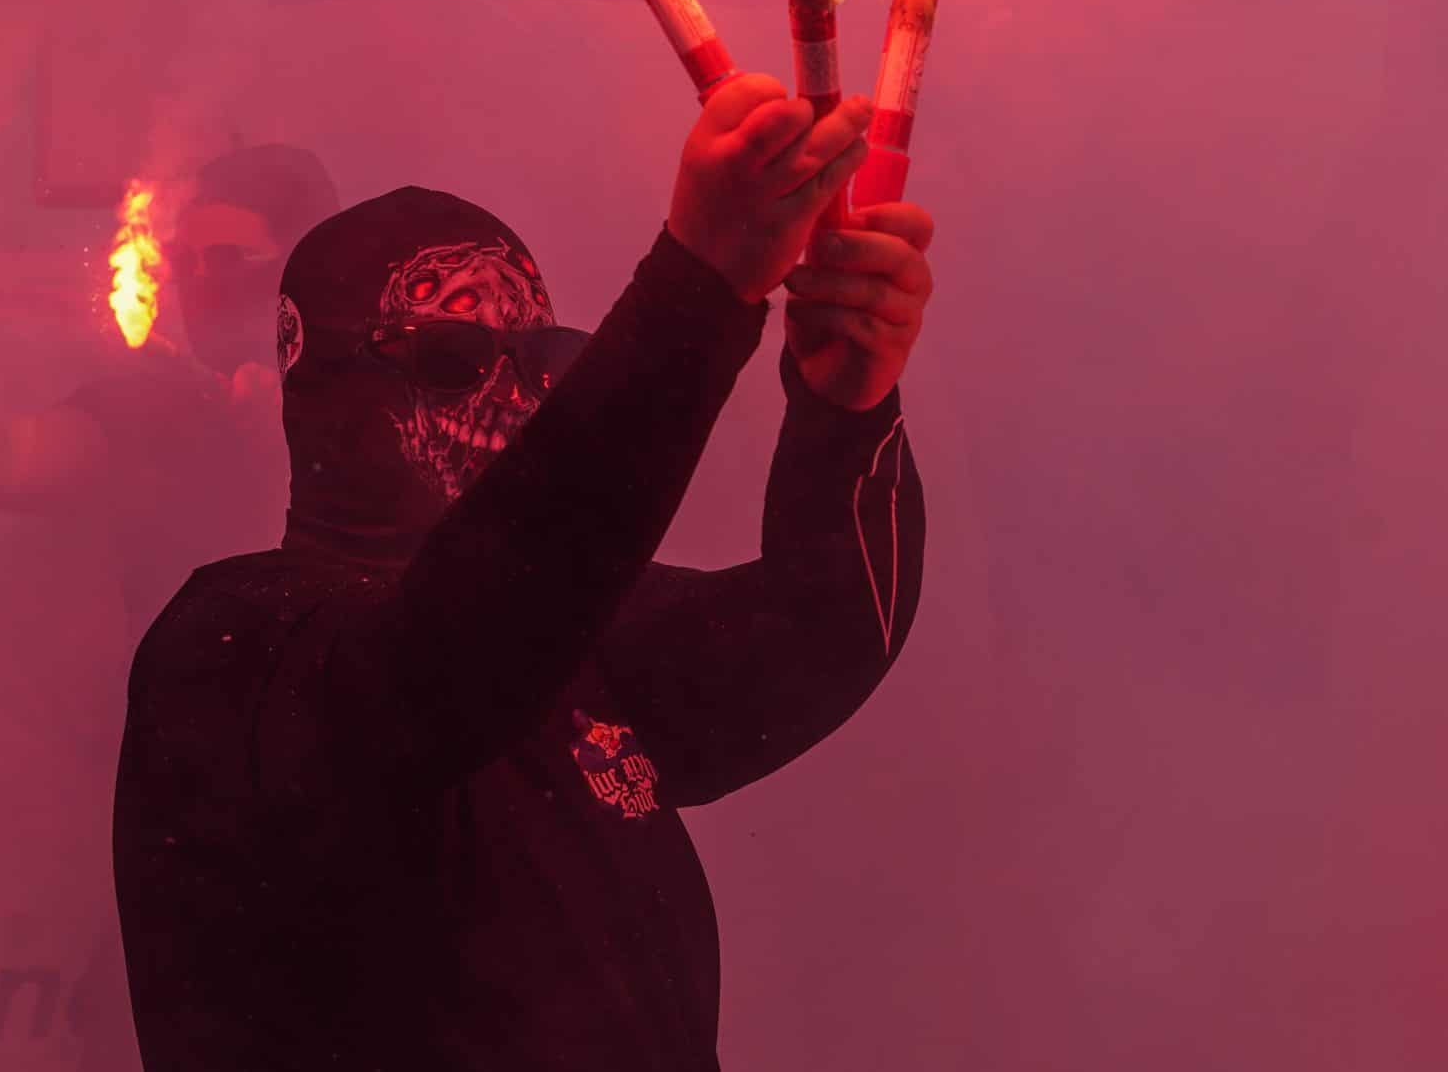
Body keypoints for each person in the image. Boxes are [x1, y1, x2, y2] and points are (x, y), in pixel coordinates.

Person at [113, 77, 936, 1070]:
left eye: (543, 355)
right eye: (456, 353)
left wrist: (844, 411)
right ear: (323, 380)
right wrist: (698, 289)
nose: (521, 394)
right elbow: (460, 655)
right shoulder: (231, 652)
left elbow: (823, 625)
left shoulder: (564, 634)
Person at [0, 143, 337, 624]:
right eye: (183, 260)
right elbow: (3, 461)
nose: (201, 281)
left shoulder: (369, 399)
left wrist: (300, 429)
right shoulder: (156, 406)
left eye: (227, 257)